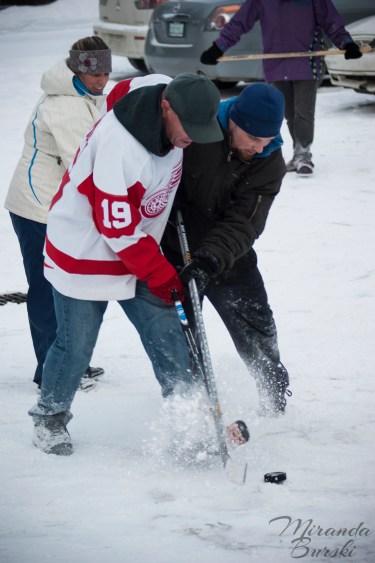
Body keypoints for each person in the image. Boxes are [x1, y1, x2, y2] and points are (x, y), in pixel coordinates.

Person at [28, 72, 223, 456]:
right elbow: (115, 226)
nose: (194, 138)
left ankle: (188, 420)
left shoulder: (166, 92)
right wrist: (160, 272)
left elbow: (128, 85)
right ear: (165, 107)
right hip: (85, 251)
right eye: (190, 128)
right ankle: (49, 418)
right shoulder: (121, 146)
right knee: (76, 346)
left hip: (138, 248)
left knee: (166, 333)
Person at [161, 82, 291, 416]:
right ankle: (196, 412)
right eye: (253, 138)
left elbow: (245, 222)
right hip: (179, 249)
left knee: (259, 336)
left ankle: (274, 401)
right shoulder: (198, 127)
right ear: (233, 120)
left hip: (231, 255)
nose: (259, 147)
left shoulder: (269, 160)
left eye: (266, 139)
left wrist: (211, 258)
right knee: (184, 340)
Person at [4, 36, 111, 390]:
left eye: (106, 72)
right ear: (77, 69)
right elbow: (83, 164)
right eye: (94, 73)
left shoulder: (87, 96)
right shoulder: (64, 105)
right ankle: (51, 369)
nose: (101, 80)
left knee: (67, 285)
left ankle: (69, 360)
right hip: (37, 207)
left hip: (56, 205)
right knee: (47, 287)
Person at [200, 0, 362, 175]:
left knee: (303, 111)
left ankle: (303, 154)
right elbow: (240, 22)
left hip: (306, 61)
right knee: (289, 113)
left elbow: (332, 21)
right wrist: (218, 47)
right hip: (276, 63)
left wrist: (346, 43)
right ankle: (297, 153)